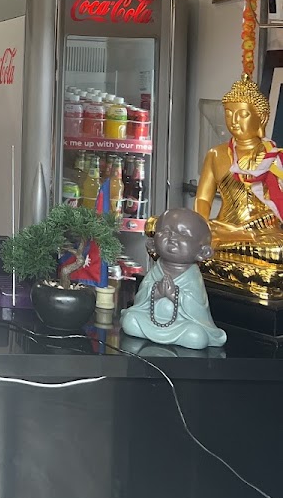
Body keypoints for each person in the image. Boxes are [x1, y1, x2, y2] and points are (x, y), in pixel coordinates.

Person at [194, 74, 283, 300]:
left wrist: (248, 233)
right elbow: (203, 198)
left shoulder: (274, 158)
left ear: (261, 118)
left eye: (242, 114)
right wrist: (203, 226)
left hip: (262, 235)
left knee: (278, 251)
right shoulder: (216, 154)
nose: (234, 121)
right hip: (221, 229)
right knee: (164, 227)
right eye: (228, 113)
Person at [121, 208, 226, 350]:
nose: (172, 237)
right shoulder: (155, 271)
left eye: (183, 234)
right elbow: (140, 299)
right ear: (152, 243)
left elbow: (198, 308)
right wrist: (155, 292)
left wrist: (175, 295)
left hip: (182, 325)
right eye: (165, 231)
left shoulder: (193, 277)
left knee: (196, 336)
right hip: (150, 320)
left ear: (203, 252)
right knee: (130, 320)